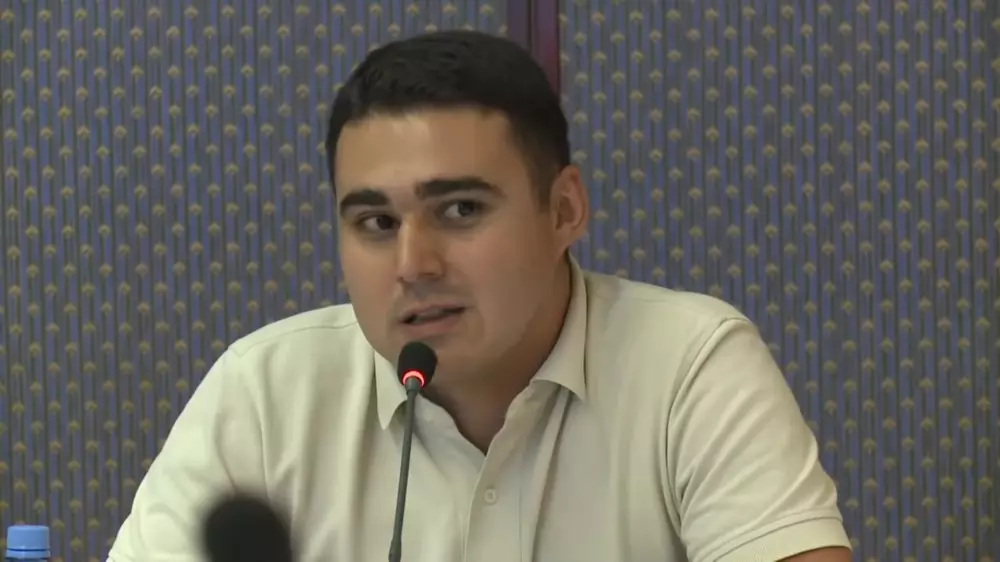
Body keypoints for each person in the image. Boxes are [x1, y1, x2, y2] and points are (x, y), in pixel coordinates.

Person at [107, 30, 852, 562]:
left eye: (460, 209)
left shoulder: (688, 366)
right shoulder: (266, 393)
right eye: (375, 222)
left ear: (564, 210)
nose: (413, 264)